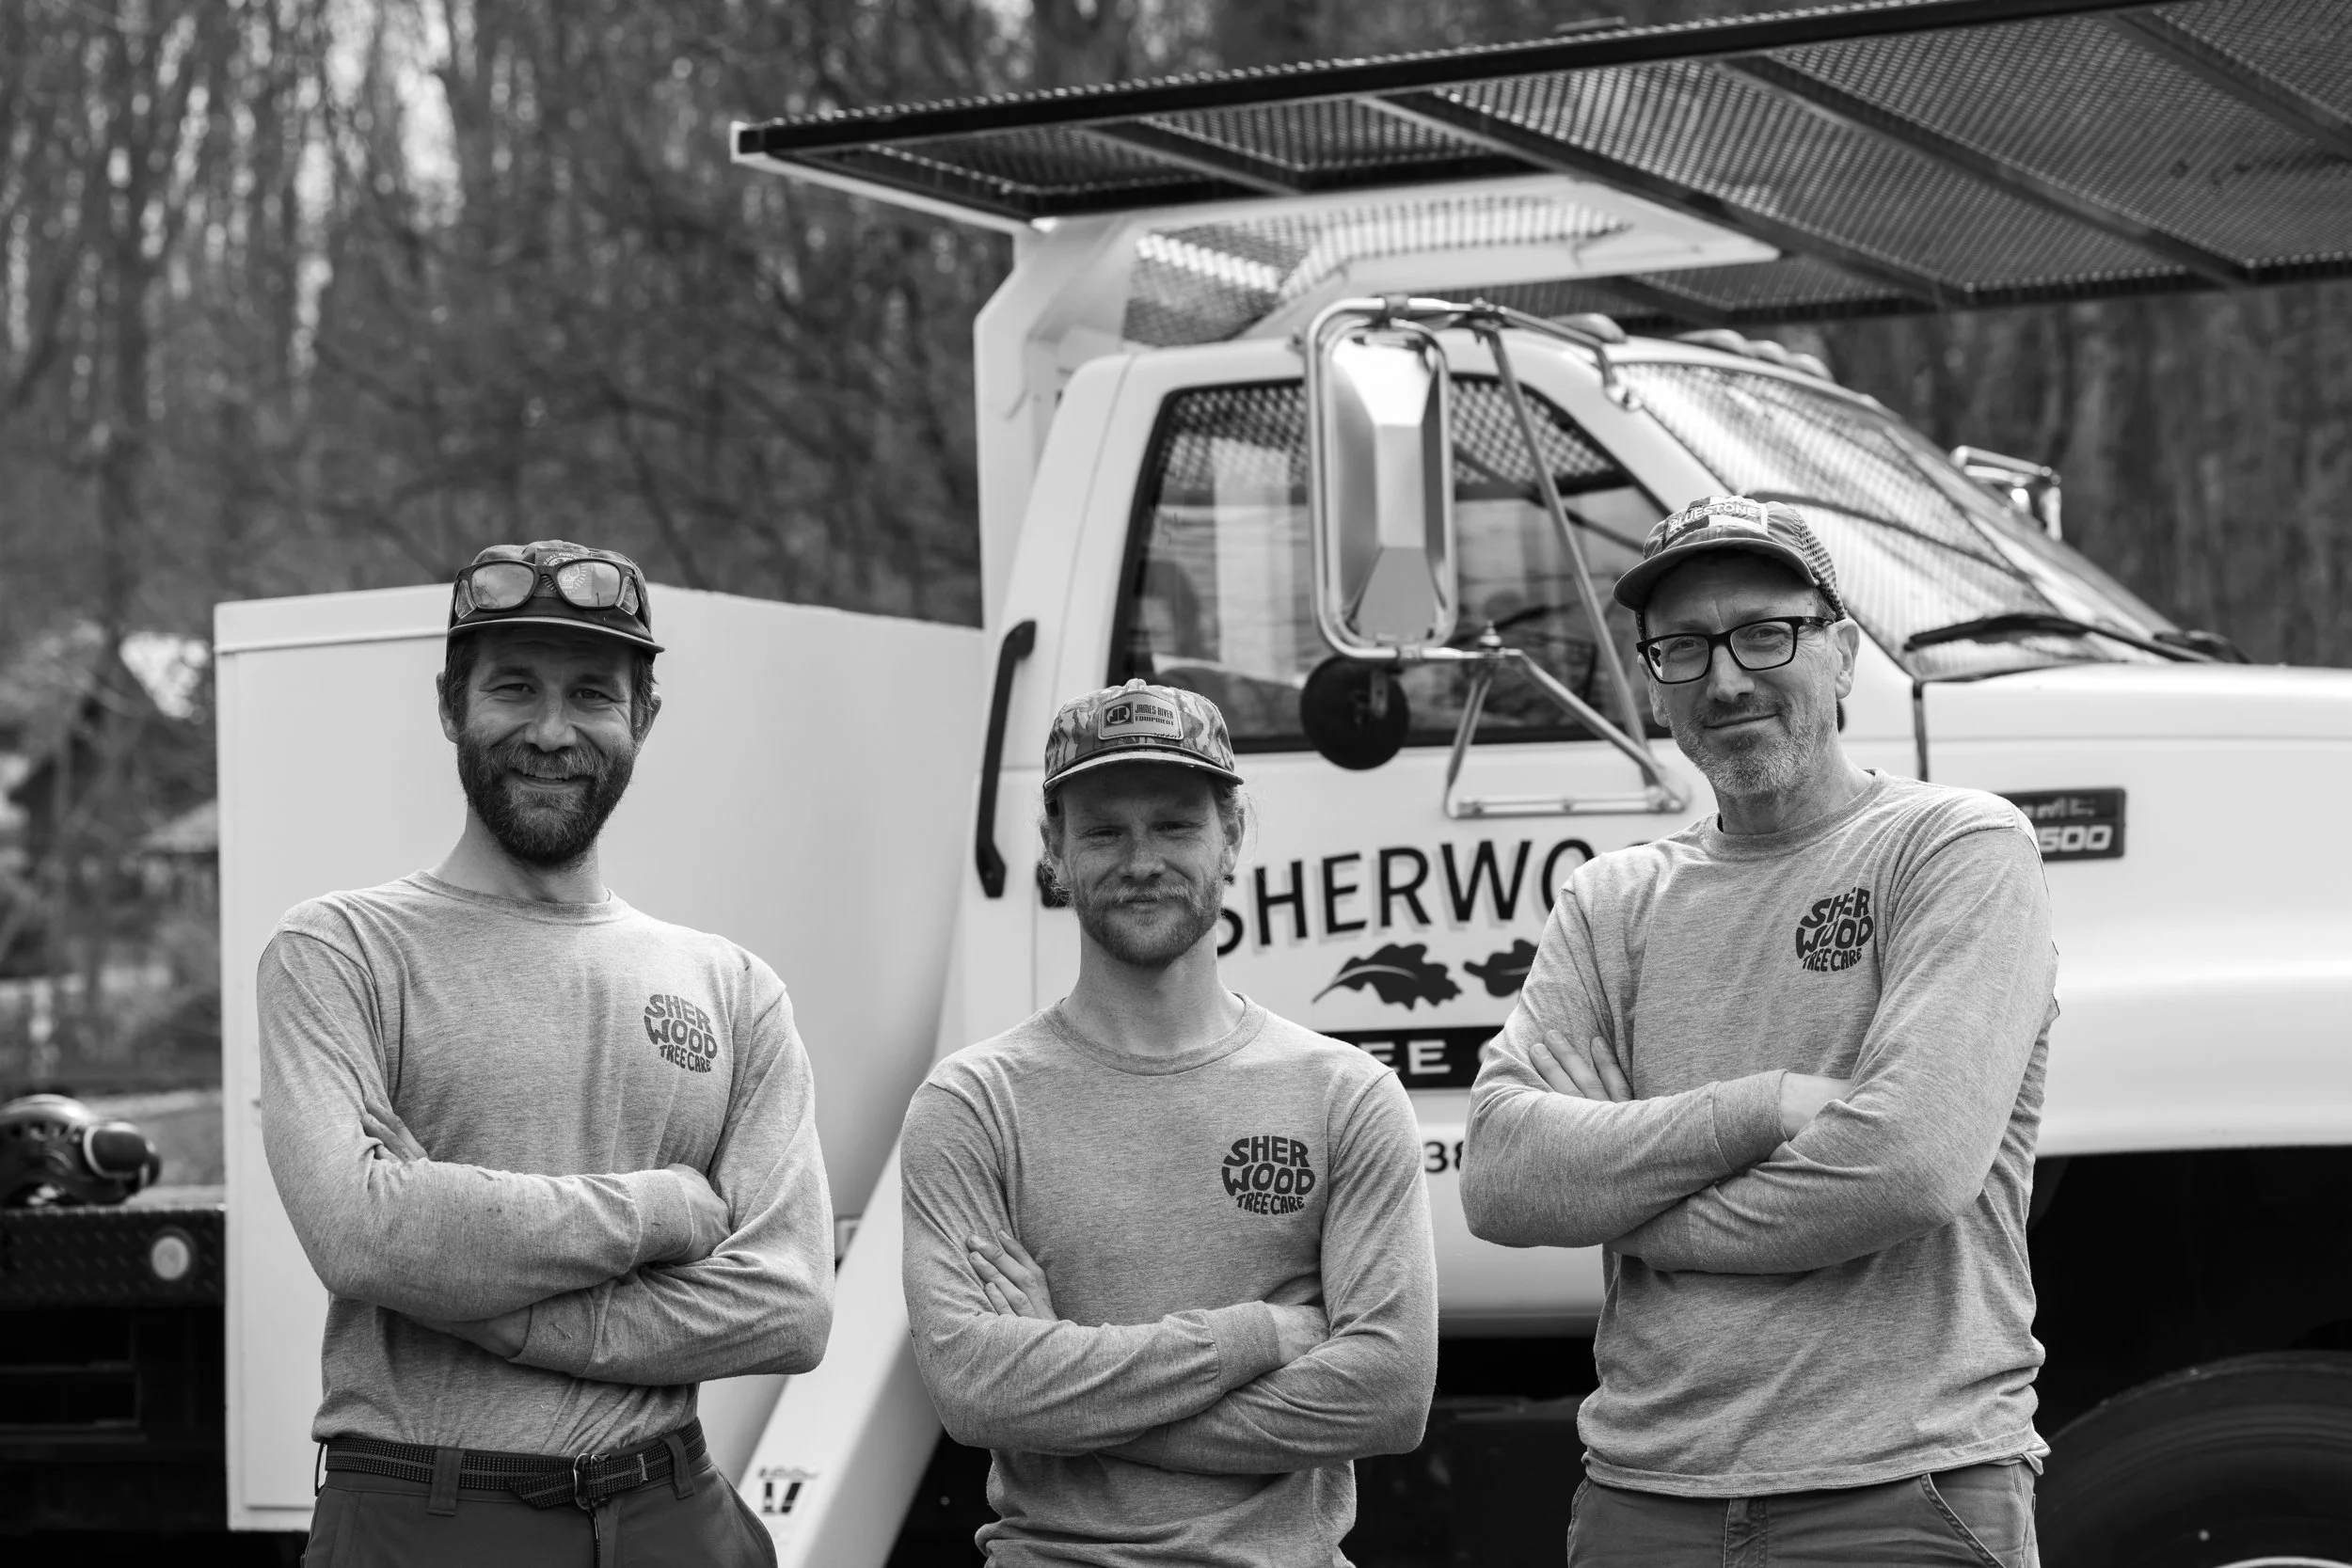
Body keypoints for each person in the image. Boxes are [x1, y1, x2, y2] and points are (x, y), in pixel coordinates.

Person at [1462, 497, 2058, 1565]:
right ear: (1652, 682)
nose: (1726, 678)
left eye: (1764, 633)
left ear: (1838, 653)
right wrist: (1765, 1106)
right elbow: (1503, 1175)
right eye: (1682, 647)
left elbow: (1907, 1165)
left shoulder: (1954, 847)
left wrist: (1637, 1208)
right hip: (1643, 1500)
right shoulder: (1611, 901)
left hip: (1904, 1494)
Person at [260, 540, 833, 1565]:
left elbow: (787, 1307)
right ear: (451, 705)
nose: (552, 730)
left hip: (674, 1506)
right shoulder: (340, 949)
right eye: (514, 687)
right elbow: (361, 1235)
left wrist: (492, 1309)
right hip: (422, 1512)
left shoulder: (734, 987)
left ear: (643, 719)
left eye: (592, 695)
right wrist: (665, 1208)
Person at [900, 678, 1438, 1567]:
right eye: (1104, 829)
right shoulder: (973, 1104)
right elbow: (971, 1389)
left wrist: (1065, 1390)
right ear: (1053, 850)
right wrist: (1256, 1336)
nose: (1140, 858)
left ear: (1233, 837)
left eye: (1176, 824)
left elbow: (1387, 1396)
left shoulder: (1346, 1094)